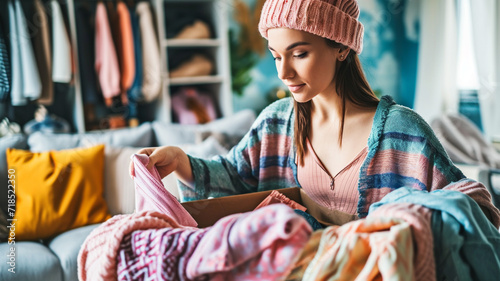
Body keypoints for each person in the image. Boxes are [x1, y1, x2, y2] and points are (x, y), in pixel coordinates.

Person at [130, 0, 500, 226]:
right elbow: (235, 177)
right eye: (276, 56)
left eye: (299, 53)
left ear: (341, 47)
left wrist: (416, 217)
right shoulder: (276, 122)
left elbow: (476, 210)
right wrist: (181, 161)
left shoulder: (402, 131)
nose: (283, 73)